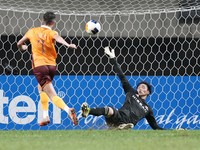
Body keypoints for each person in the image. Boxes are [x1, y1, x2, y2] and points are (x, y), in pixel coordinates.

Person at [17, 11, 78, 126]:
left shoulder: (32, 31)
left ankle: (68, 110)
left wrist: (22, 47)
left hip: (40, 66)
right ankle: (45, 116)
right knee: (41, 88)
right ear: (53, 23)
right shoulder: (52, 32)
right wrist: (68, 45)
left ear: (42, 20)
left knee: (52, 94)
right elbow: (58, 38)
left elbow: (19, 43)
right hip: (52, 66)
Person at [81, 47, 164, 130]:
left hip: (128, 122)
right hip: (118, 116)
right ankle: (88, 111)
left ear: (148, 92)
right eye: (138, 87)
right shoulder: (131, 92)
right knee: (109, 109)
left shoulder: (148, 109)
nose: (140, 89)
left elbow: (155, 126)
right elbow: (122, 76)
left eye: (143, 87)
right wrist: (113, 59)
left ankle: (121, 127)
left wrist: (170, 131)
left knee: (125, 124)